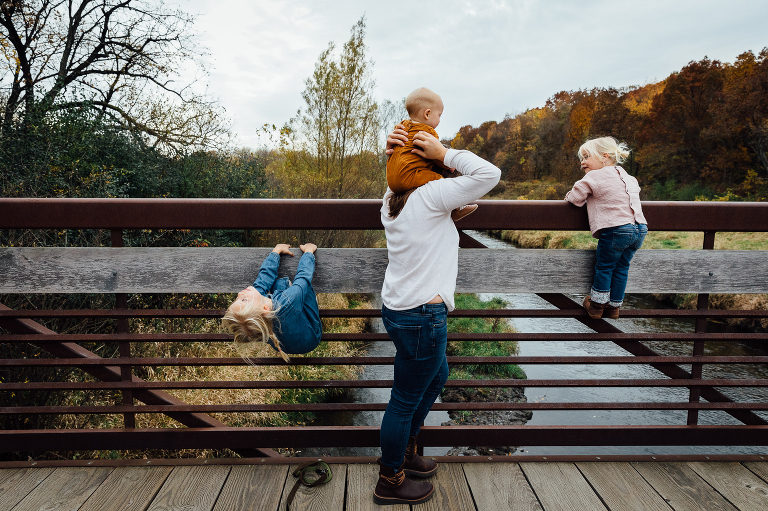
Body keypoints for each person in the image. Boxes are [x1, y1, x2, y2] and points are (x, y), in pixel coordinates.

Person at [373, 125, 501, 505]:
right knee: (403, 399)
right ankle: (390, 479)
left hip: (398, 309)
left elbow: (408, 188)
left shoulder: (391, 198)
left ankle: (407, 452)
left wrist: (397, 157)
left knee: (437, 374)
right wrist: (444, 152)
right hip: (423, 314)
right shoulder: (433, 195)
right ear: (426, 163)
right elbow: (489, 174)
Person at [565, 137, 648, 320]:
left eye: (587, 156)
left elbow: (575, 199)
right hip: (639, 228)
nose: (582, 162)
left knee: (605, 267)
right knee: (622, 267)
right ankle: (614, 307)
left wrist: (573, 195)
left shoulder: (593, 176)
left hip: (616, 229)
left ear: (604, 157)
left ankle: (596, 306)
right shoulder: (628, 176)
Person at [386, 87, 478, 222]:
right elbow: (436, 156)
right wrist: (448, 163)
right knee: (441, 181)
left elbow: (401, 156)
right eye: (439, 115)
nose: (439, 120)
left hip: (392, 182)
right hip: (410, 176)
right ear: (427, 114)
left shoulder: (400, 129)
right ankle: (456, 208)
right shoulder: (428, 133)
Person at [222, 243, 321, 362]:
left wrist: (276, 252)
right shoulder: (288, 301)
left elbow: (263, 280)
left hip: (285, 345)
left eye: (237, 299)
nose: (239, 294)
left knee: (275, 285)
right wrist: (309, 252)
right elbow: (303, 279)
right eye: (243, 300)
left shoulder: (258, 313)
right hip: (311, 337)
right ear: (265, 309)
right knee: (293, 288)